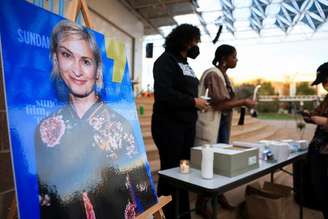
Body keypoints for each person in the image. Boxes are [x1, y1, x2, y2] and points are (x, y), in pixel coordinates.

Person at [35, 20, 157, 219]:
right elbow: (47, 200)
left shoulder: (119, 127)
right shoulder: (46, 130)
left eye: (86, 61)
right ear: (56, 60)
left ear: (97, 69)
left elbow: (144, 192)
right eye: (67, 55)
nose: (77, 70)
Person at [151, 24, 209, 219]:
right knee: (170, 171)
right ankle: (166, 213)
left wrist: (197, 101)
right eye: (195, 41)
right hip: (169, 127)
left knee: (184, 170)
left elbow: (186, 89)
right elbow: (165, 94)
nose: (197, 45)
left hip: (186, 127)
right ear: (184, 40)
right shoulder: (165, 61)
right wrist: (193, 101)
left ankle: (182, 213)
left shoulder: (186, 63)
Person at [194, 44, 256, 217]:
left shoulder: (222, 75)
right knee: (209, 161)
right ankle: (201, 202)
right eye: (234, 56)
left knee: (218, 160)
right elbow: (220, 104)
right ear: (224, 58)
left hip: (220, 124)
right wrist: (244, 102)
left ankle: (218, 194)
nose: (236, 59)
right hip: (210, 123)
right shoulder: (214, 74)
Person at [302, 62, 328, 219]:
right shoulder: (327, 98)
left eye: (326, 81)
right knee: (321, 190)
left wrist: (323, 121)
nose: (325, 86)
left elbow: (323, 120)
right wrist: (309, 116)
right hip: (319, 150)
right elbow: (316, 114)